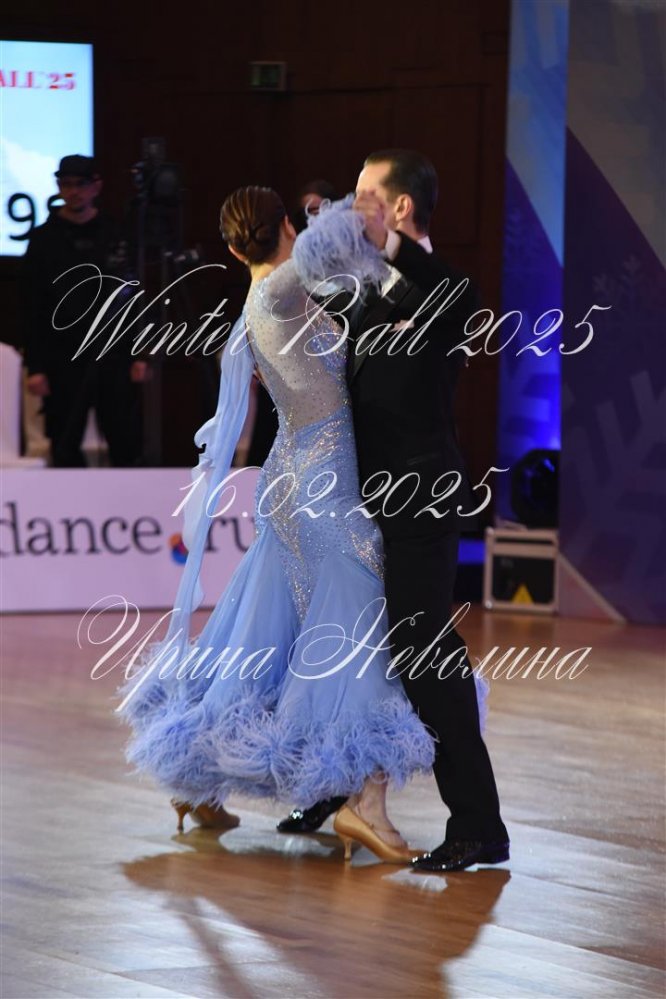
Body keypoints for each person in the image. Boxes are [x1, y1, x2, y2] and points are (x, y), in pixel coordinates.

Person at [117, 186, 465, 864]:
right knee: (362, 625)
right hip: (320, 486)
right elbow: (317, 259)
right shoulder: (275, 293)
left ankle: (198, 785)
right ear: (283, 226)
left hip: (296, 477)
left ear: (229, 248)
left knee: (272, 637)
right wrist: (354, 213)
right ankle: (365, 805)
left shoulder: (266, 301)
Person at [277, 150, 510, 873]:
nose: (351, 206)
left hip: (421, 496)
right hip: (361, 501)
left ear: (400, 208)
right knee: (353, 645)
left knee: (422, 650)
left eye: (365, 195)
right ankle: (334, 791)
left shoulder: (442, 286)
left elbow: (453, 294)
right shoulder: (363, 288)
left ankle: (479, 824)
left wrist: (392, 247)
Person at [23, 154, 147, 467]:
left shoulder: (115, 235)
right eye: (66, 184)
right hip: (62, 355)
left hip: (113, 353)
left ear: (96, 186)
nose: (74, 191)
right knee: (64, 443)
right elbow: (32, 305)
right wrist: (35, 366)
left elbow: (132, 296)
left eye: (81, 184)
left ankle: (126, 499)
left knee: (125, 441)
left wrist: (139, 353)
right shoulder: (43, 239)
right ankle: (68, 500)